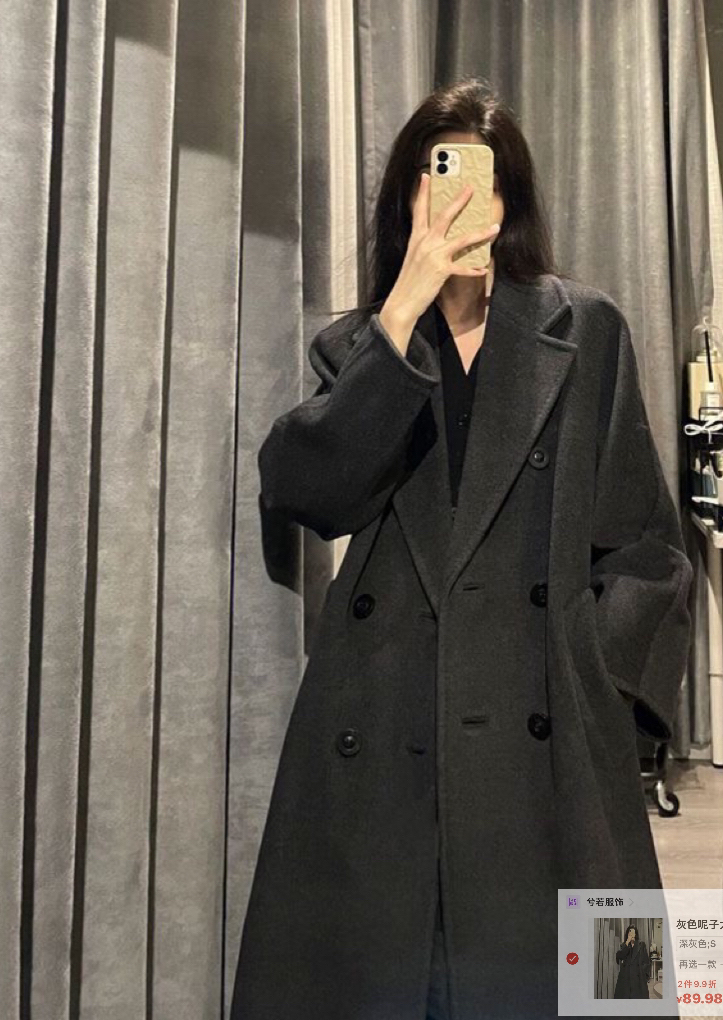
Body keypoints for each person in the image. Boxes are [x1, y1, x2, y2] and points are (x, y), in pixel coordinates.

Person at [231, 76, 692, 1020]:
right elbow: (306, 493)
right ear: (406, 197)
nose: (455, 202)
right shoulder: (358, 346)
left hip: (547, 740)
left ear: (508, 200)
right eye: (433, 178)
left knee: (602, 997)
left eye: (480, 181)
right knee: (390, 988)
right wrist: (398, 316)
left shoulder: (585, 328)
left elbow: (644, 545)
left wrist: (595, 685)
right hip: (385, 723)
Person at [614, 924, 652, 999]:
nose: (631, 934)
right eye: (630, 932)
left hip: (638, 977)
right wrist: (627, 942)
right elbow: (619, 956)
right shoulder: (624, 945)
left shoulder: (641, 945)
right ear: (627, 934)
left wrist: (644, 975)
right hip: (626, 978)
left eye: (633, 932)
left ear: (636, 934)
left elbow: (646, 961)